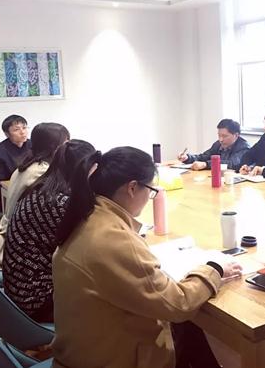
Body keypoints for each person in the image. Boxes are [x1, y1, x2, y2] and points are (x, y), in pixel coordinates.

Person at [52, 146, 242, 368]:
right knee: (191, 326)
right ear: (132, 188)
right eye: (151, 191)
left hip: (84, 349)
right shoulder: (113, 239)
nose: (150, 198)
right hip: (110, 358)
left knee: (191, 333)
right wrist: (214, 269)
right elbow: (178, 304)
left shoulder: (89, 215)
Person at [3, 139, 95, 322]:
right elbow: (89, 249)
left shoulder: (41, 189)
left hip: (18, 289)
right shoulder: (61, 203)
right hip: (37, 300)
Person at [0, 122, 70, 270]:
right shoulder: (42, 173)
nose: (69, 148)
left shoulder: (29, 164)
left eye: (24, 127)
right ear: (54, 147)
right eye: (66, 143)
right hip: (21, 246)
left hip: (15, 234)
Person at [0, 114, 31, 210]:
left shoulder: (34, 146)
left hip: (32, 193)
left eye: (24, 128)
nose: (22, 132)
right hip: (9, 198)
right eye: (16, 129)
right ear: (7, 134)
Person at [177, 118, 250, 171]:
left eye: (224, 136)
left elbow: (232, 163)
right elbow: (204, 156)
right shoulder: (218, 144)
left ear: (236, 135)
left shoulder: (244, 147)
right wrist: (188, 158)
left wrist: (206, 164)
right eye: (219, 135)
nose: (221, 139)